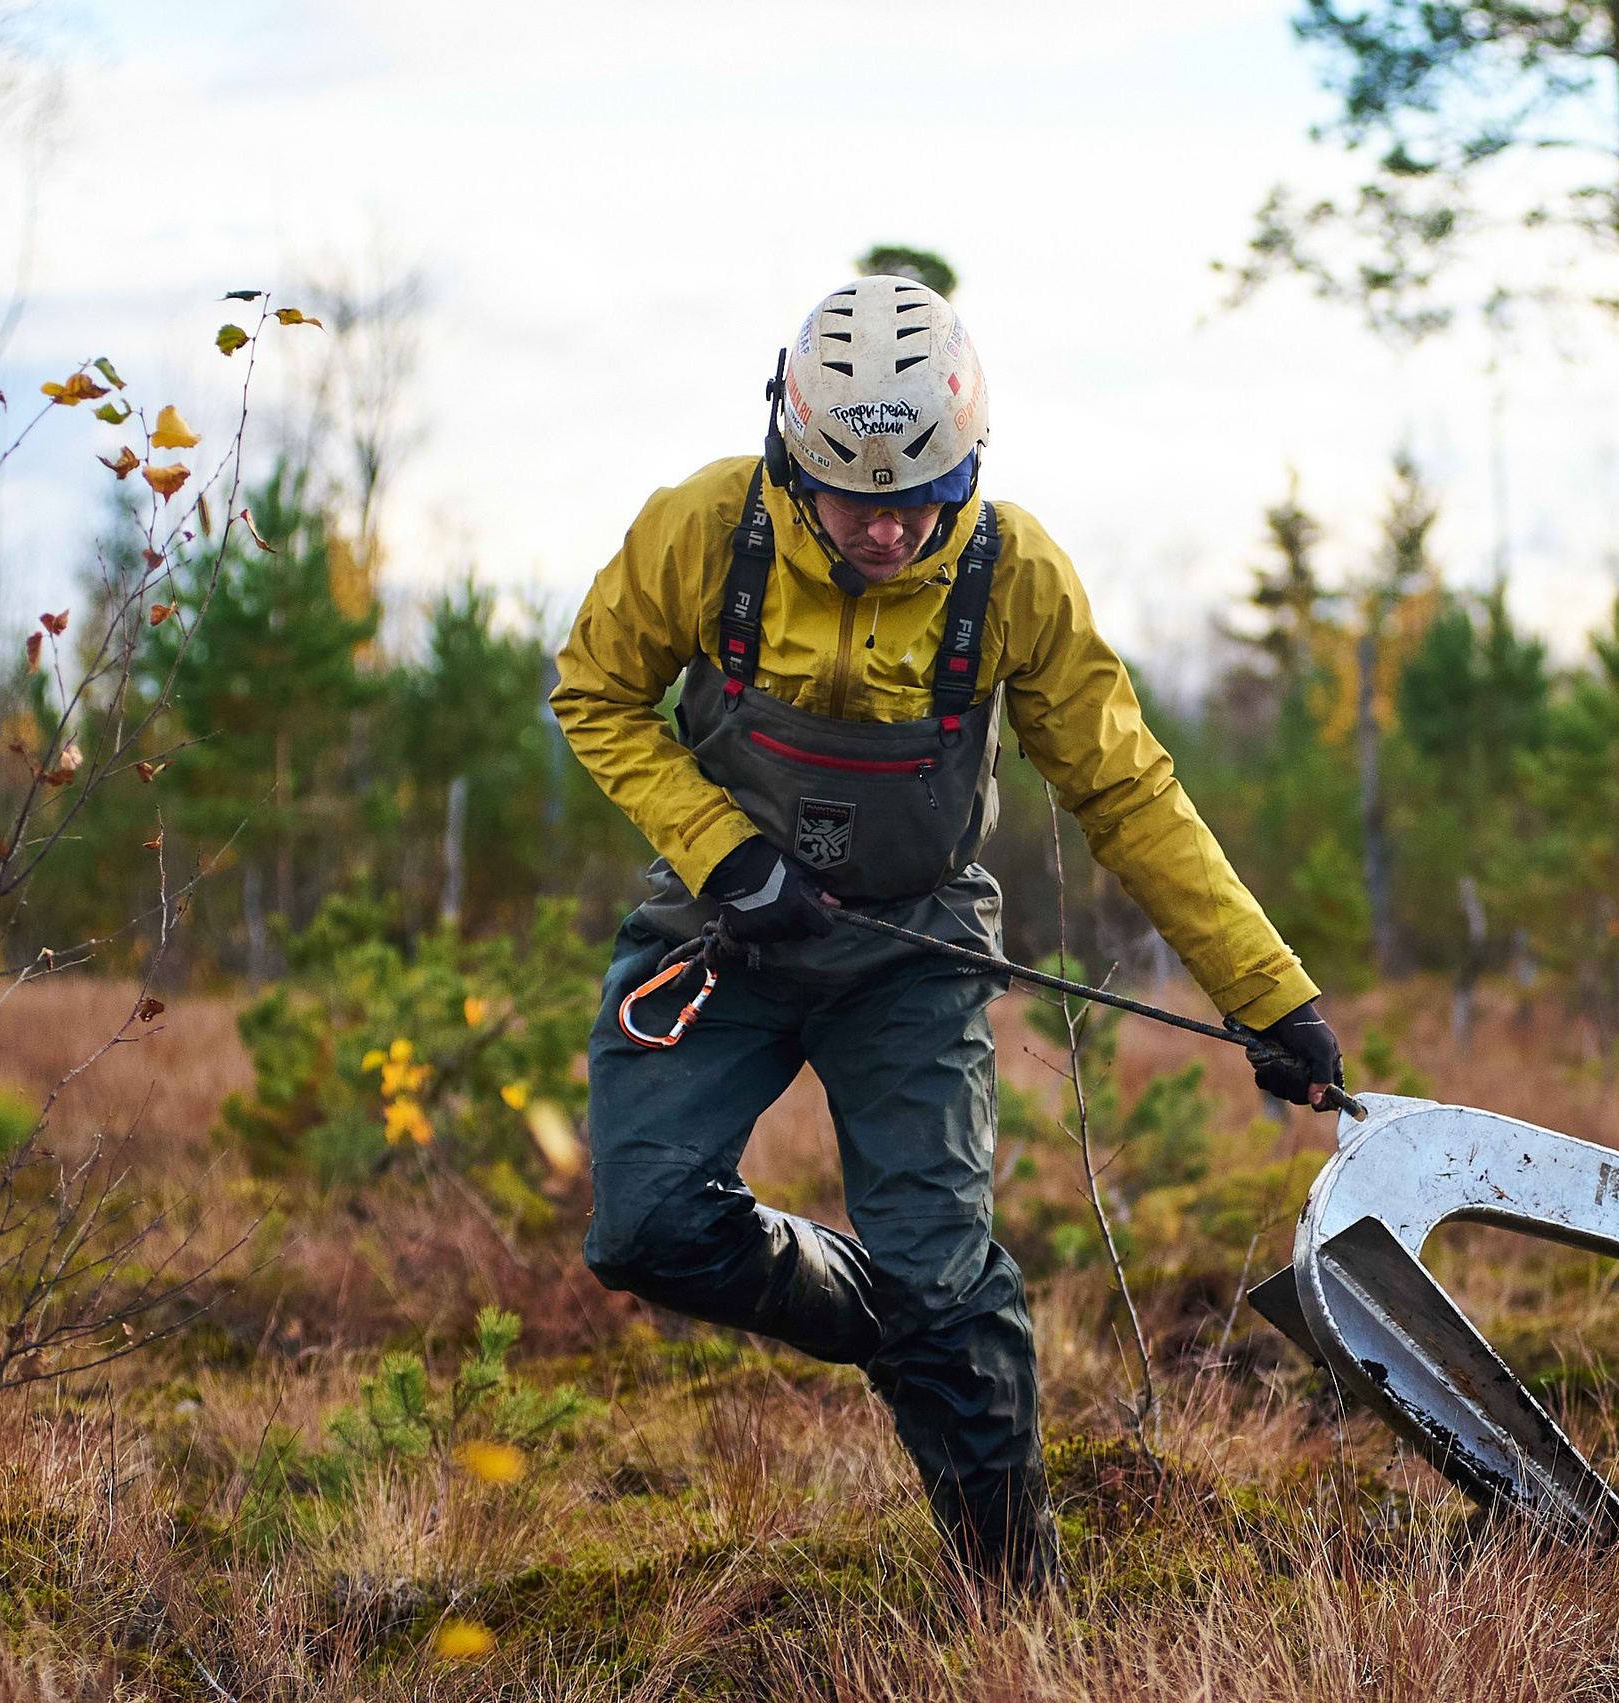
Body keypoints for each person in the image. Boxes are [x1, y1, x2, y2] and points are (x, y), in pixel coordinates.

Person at [550, 274, 1345, 1588]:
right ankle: (909, 1321)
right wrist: (726, 855)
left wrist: (1267, 995)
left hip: (911, 960)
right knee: (648, 1231)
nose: (888, 528)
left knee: (939, 1276)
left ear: (969, 459)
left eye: (921, 496)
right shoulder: (705, 530)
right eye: (855, 500)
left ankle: (1010, 1592)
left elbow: (1126, 789)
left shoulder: (1009, 571)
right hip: (721, 941)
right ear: (793, 457)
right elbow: (595, 692)